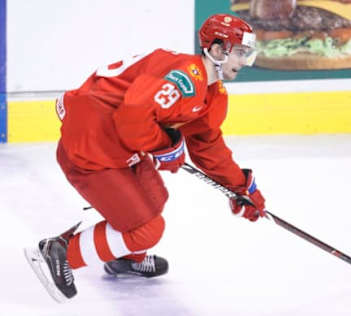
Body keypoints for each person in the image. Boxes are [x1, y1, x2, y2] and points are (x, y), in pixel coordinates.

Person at [24, 13, 267, 303]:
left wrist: (241, 187)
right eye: (240, 52)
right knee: (148, 230)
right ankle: (59, 252)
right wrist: (166, 144)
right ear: (216, 50)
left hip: (119, 142)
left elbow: (207, 147)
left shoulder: (212, 92)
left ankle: (123, 258)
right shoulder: (185, 77)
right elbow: (132, 118)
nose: (244, 61)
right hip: (92, 142)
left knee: (155, 197)